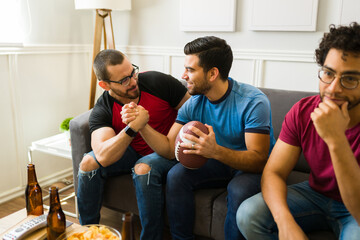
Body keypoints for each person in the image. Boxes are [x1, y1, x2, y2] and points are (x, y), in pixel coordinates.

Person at [122, 36, 275, 240]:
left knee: (238, 189)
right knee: (176, 176)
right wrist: (141, 125)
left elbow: (258, 160)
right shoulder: (195, 103)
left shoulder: (253, 102)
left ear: (212, 73)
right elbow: (168, 148)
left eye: (191, 70)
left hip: (250, 167)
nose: (183, 75)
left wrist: (215, 151)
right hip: (217, 160)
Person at [237, 22, 360, 240]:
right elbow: (274, 172)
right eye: (329, 73)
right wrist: (284, 221)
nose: (333, 88)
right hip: (315, 194)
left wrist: (336, 140)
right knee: (249, 213)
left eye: (349, 79)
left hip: (354, 208)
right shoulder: (303, 111)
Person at [76, 49, 190, 240]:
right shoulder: (103, 107)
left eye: (132, 73)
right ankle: (87, 233)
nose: (133, 81)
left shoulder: (157, 83)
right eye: (124, 81)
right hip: (131, 151)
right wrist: (132, 128)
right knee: (88, 163)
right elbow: (103, 155)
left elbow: (193, 109)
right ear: (104, 85)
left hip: (166, 151)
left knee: (143, 167)